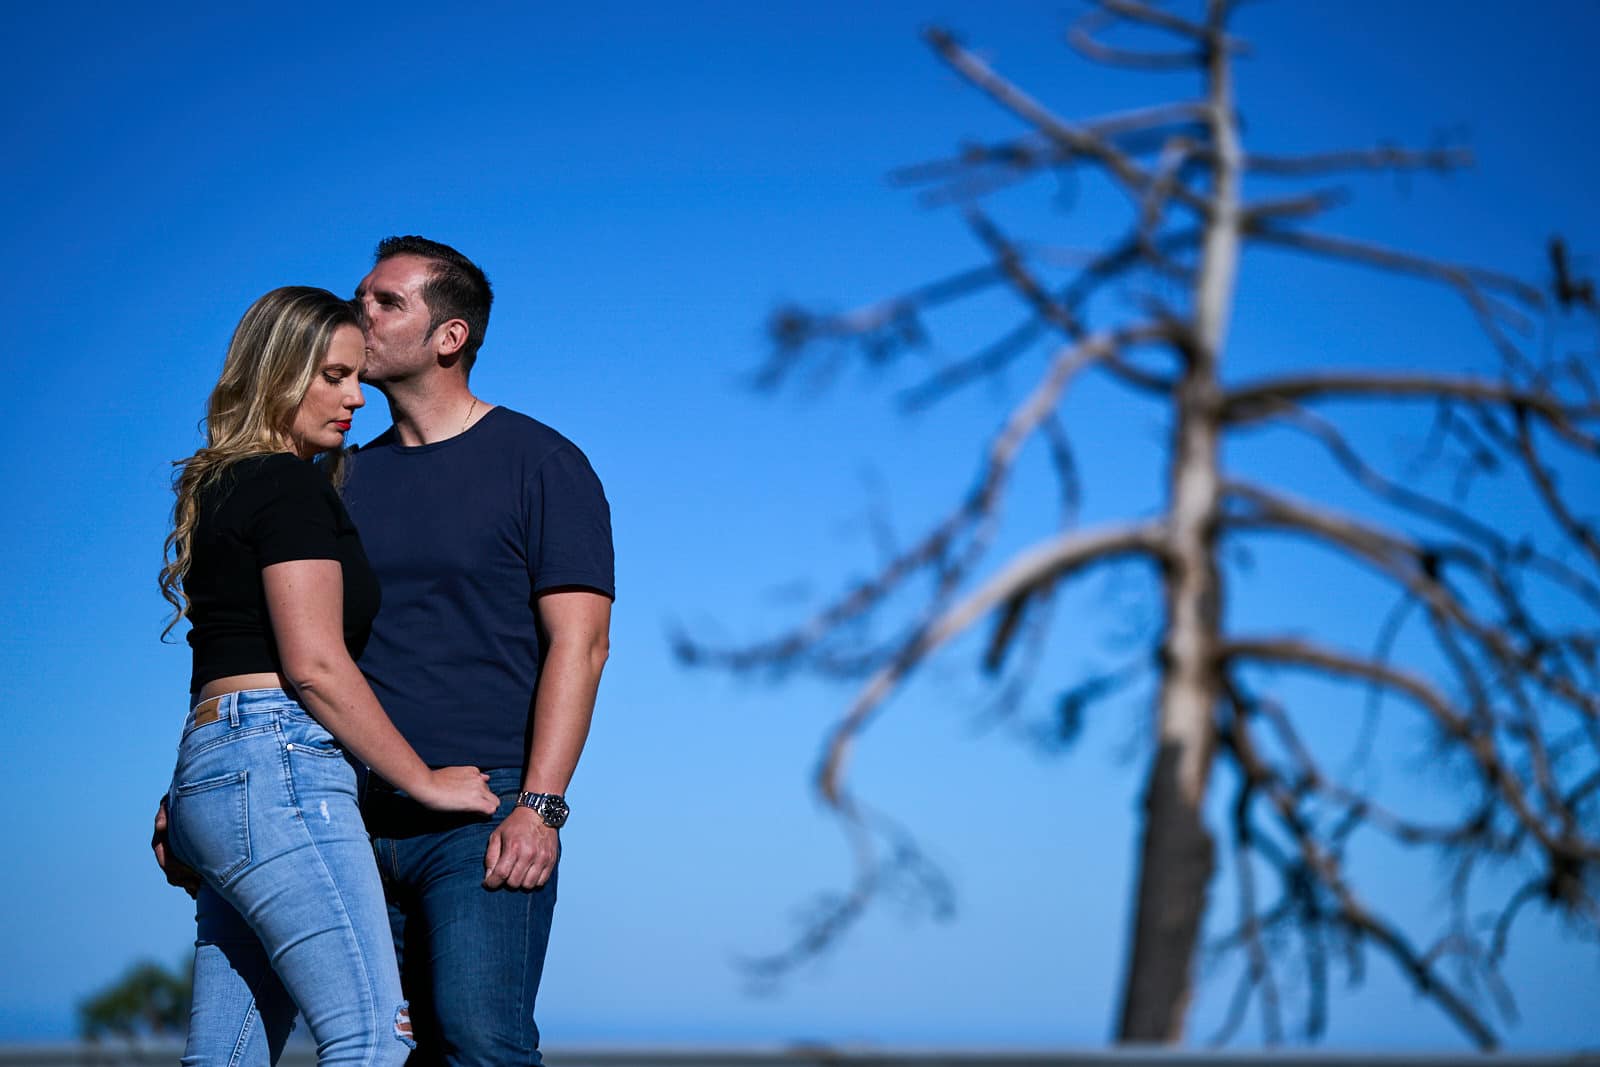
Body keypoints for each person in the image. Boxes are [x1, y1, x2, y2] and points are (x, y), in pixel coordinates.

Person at [155, 286, 500, 1066]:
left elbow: (226, 662)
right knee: (375, 1039)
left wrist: (188, 796)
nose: (355, 399)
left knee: (227, 1056)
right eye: (334, 377)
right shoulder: (289, 484)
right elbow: (312, 665)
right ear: (277, 373)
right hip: (281, 769)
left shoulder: (220, 485)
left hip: (214, 769)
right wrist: (424, 780)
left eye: (357, 378)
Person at [342, 236, 614, 1065]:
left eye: (387, 302)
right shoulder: (341, 477)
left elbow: (584, 642)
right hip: (347, 810)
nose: (362, 314)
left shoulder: (542, 462)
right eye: (362, 297)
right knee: (372, 1053)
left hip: (482, 813)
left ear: (449, 336)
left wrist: (541, 805)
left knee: (479, 1039)